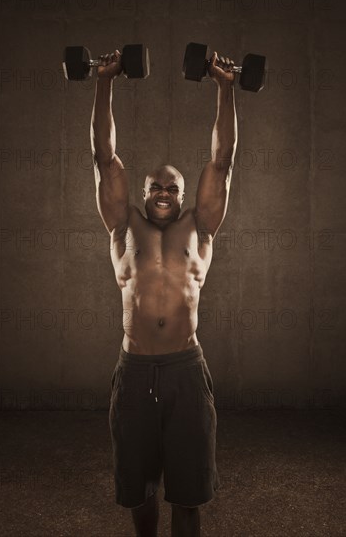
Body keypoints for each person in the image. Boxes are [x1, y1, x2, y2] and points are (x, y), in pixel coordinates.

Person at [91, 47, 237, 537]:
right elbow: (104, 155)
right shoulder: (121, 225)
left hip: (184, 370)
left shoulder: (201, 228)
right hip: (133, 371)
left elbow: (222, 160)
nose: (162, 193)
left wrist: (224, 86)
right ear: (142, 190)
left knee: (189, 496)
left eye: (171, 187)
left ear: (182, 195)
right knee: (141, 492)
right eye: (154, 186)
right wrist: (104, 80)